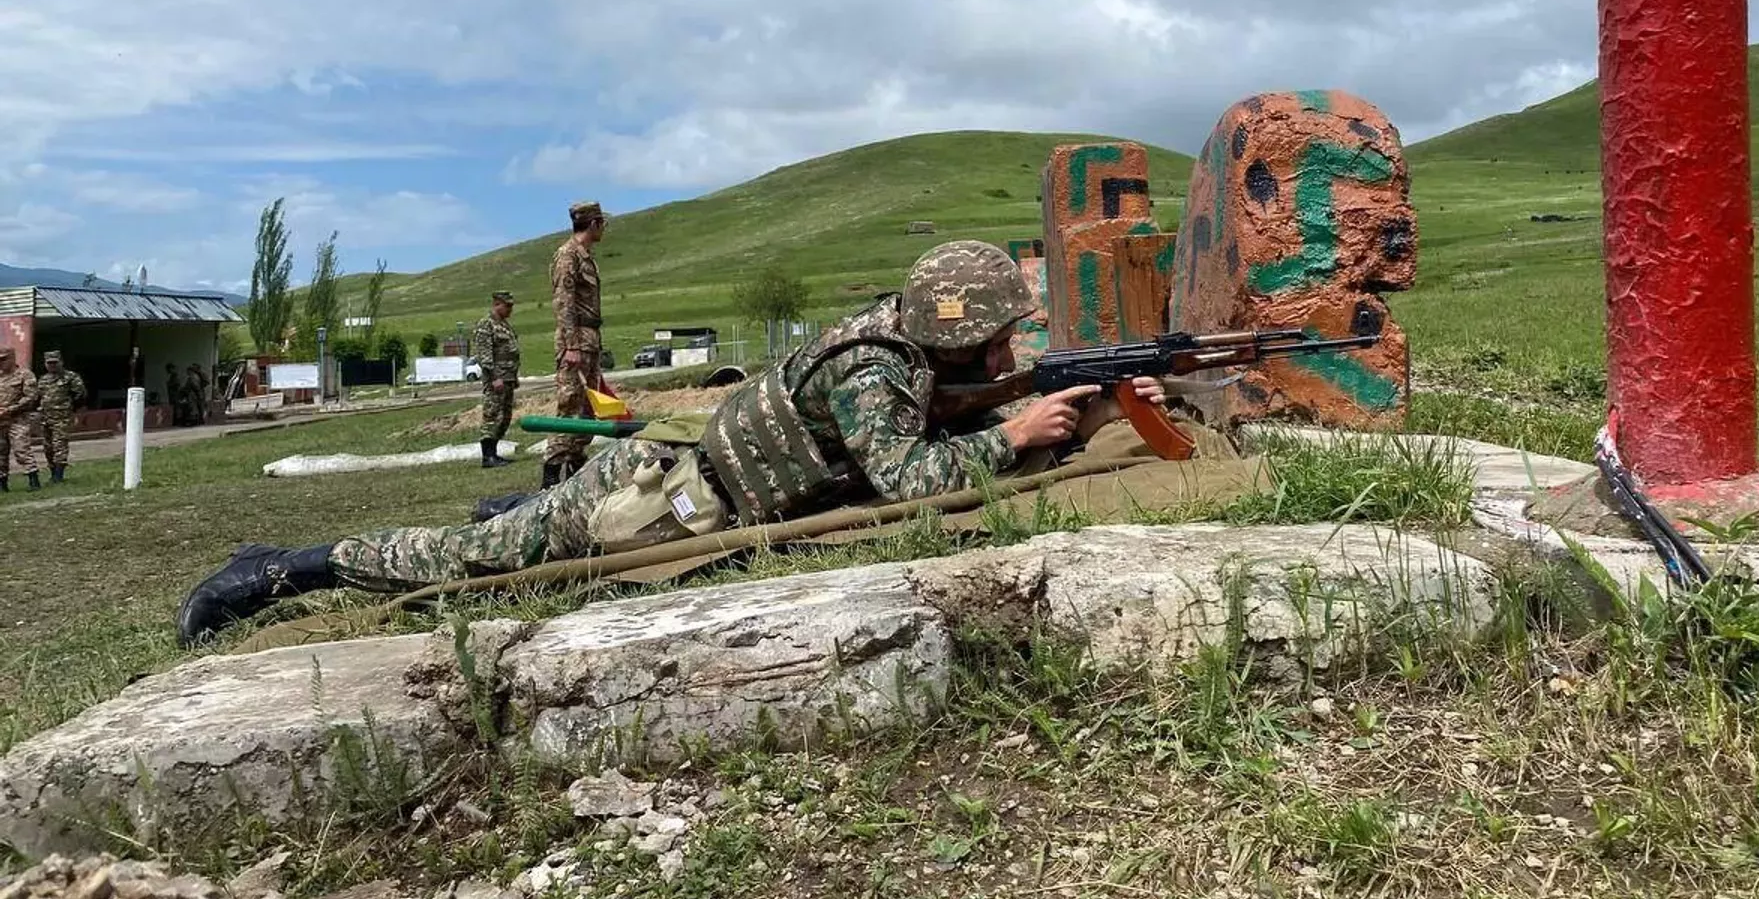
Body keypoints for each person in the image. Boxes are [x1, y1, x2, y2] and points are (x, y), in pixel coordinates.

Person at [175, 240, 1165, 646]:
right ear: (952, 331)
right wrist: (1018, 435)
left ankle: (516, 509)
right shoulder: (877, 366)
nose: (1007, 348)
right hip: (665, 496)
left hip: (698, 469)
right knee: (477, 560)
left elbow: (936, 416)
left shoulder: (905, 342)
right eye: (997, 334)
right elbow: (907, 472)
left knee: (524, 528)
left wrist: (1093, 401)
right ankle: (281, 570)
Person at [546, 200, 607, 488]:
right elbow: (564, 303)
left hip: (590, 340)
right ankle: (551, 472)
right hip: (576, 342)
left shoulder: (586, 256)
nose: (603, 228)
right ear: (593, 224)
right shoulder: (567, 256)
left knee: (589, 410)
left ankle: (574, 471)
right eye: (602, 223)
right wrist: (571, 345)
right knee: (569, 405)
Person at [470, 290, 520, 468]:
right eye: (507, 306)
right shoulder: (486, 324)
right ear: (497, 304)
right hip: (496, 380)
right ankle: (487, 456)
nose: (510, 310)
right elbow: (485, 355)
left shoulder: (505, 325)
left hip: (508, 378)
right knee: (491, 416)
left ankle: (495, 453)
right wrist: (494, 378)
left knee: (504, 417)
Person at [36, 350, 86, 484]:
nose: (52, 365)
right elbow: (38, 397)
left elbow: (80, 395)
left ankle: (59, 475)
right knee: (47, 447)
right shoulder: (43, 379)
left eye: (54, 363)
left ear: (61, 362)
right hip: (46, 418)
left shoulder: (70, 377)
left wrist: (70, 409)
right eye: (49, 363)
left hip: (62, 418)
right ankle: (52, 473)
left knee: (60, 445)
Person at [0, 347, 41, 493]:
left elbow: (31, 397)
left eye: (4, 359)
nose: (1, 363)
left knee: (21, 449)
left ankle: (33, 480)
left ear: (12, 358)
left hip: (18, 419)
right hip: (1, 421)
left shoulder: (24, 375)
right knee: (1, 453)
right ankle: (2, 484)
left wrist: (10, 409)